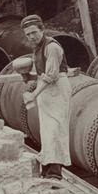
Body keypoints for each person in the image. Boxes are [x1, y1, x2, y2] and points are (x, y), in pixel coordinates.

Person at [22, 14, 72, 179]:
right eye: (28, 34)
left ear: (42, 30)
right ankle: (47, 167)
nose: (31, 37)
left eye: (34, 32)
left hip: (57, 89)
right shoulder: (37, 48)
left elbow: (51, 75)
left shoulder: (52, 47)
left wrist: (33, 94)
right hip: (46, 91)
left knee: (55, 129)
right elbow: (40, 74)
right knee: (46, 129)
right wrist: (29, 80)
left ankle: (55, 172)